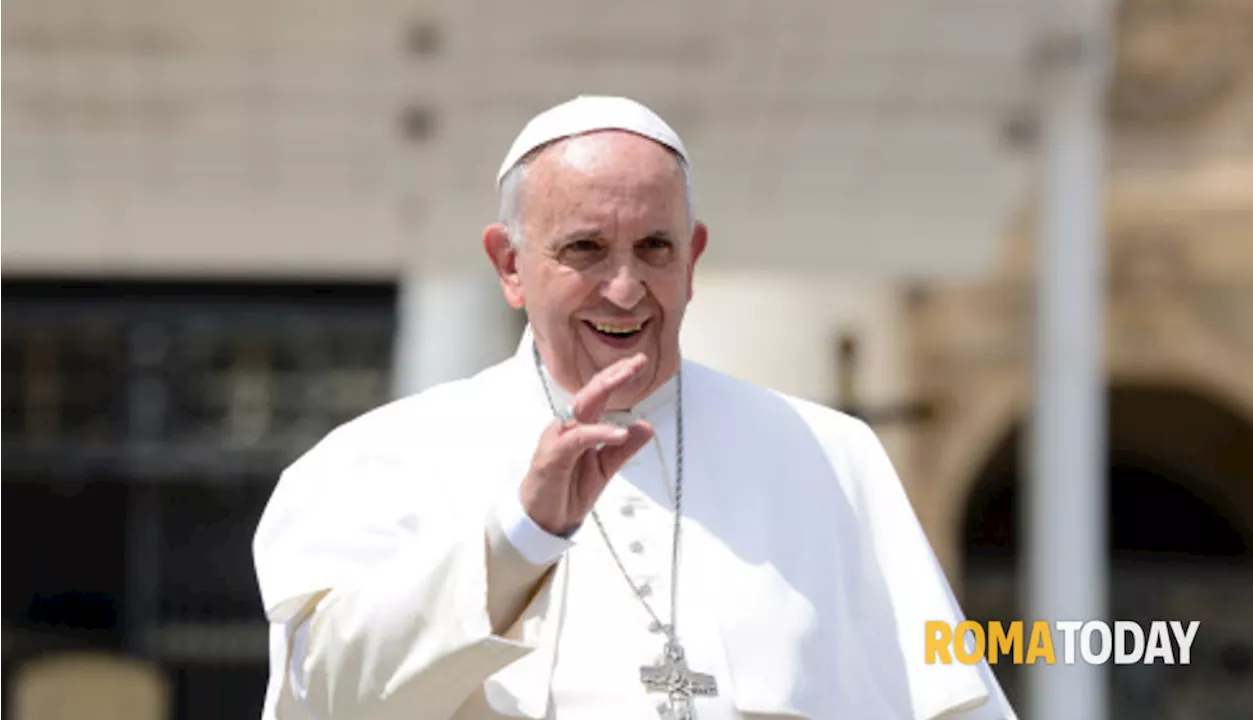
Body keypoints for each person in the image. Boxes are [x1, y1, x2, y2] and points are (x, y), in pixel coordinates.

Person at [253, 95, 1015, 720]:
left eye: (655, 248)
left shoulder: (833, 457)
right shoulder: (380, 458)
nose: (624, 288)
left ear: (694, 260)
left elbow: (951, 706)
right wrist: (519, 539)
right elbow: (324, 696)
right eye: (584, 249)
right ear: (509, 265)